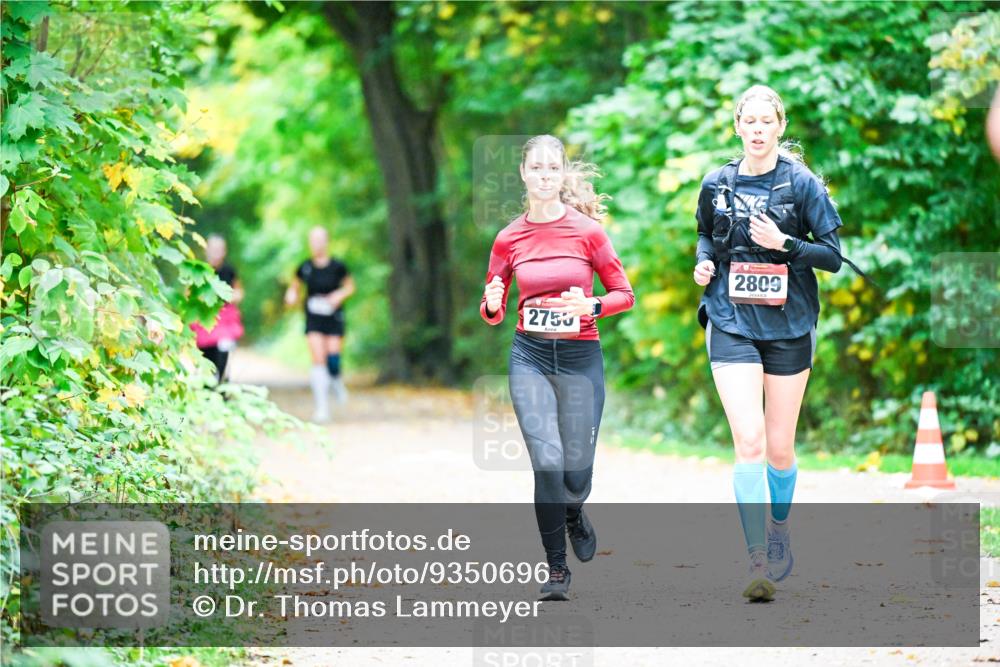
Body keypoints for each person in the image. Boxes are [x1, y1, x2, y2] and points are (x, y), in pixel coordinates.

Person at [693, 85, 844, 602]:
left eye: (766, 121)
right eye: (748, 121)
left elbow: (832, 255)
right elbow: (705, 236)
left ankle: (779, 529)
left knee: (780, 449)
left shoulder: (802, 184)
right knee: (750, 443)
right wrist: (703, 262)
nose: (757, 129)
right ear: (737, 126)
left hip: (789, 325)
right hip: (730, 319)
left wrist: (786, 245)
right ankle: (756, 557)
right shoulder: (717, 182)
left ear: (780, 126)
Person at [480, 134, 634, 601]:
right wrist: (490, 301)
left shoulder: (587, 232)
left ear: (563, 174)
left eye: (553, 168)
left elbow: (624, 294)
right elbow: (494, 305)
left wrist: (591, 305)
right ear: (524, 174)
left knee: (576, 472)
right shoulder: (509, 238)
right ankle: (556, 570)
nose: (545, 176)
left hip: (580, 358)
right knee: (547, 463)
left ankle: (573, 511)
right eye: (537, 168)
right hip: (529, 357)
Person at [284, 226, 354, 423]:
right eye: (313, 240)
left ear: (327, 241)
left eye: (320, 240)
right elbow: (294, 287)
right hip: (314, 316)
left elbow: (350, 287)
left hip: (333, 315)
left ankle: (337, 380)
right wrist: (291, 295)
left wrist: (339, 295)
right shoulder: (305, 267)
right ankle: (322, 407)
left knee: (333, 358)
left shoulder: (338, 266)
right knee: (318, 359)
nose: (317, 244)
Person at [190, 234, 244, 383]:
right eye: (213, 249)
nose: (216, 253)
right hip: (204, 318)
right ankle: (209, 385)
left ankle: (221, 382)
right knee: (207, 356)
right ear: (206, 250)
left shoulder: (229, 270)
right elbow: (189, 294)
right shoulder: (198, 269)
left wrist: (232, 296)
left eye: (219, 249)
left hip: (225, 318)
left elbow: (239, 291)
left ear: (224, 251)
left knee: (224, 349)